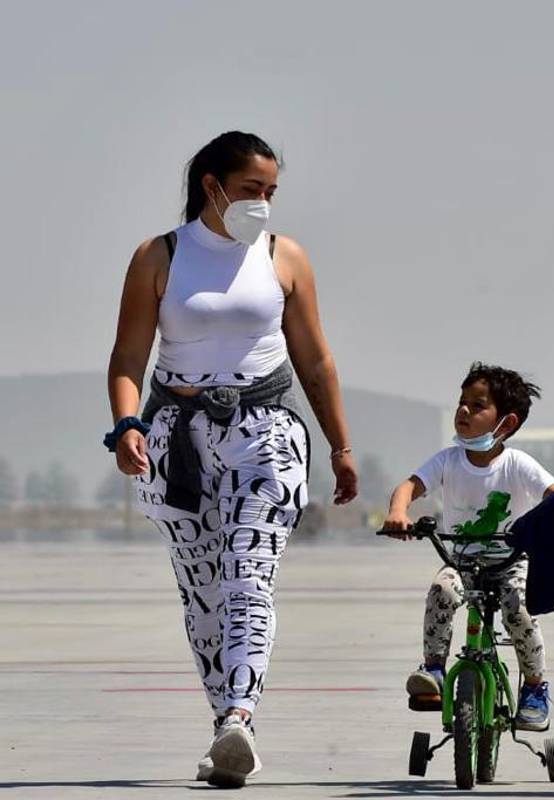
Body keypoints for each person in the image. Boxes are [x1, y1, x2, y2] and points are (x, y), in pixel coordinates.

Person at [106, 131, 358, 788]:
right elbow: (129, 357)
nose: (264, 204)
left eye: (272, 192)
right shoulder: (159, 256)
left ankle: (241, 715)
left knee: (249, 576)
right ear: (211, 185)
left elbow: (315, 360)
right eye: (252, 190)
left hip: (266, 430)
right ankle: (226, 726)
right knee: (202, 595)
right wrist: (127, 423)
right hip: (174, 437)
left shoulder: (285, 257)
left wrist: (340, 444)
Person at [382, 363, 554, 731]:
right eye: (462, 402)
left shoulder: (518, 464)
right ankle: (434, 668)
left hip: (511, 561)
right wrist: (399, 511)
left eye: (477, 406)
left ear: (506, 423)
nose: (464, 410)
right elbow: (408, 487)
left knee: (518, 609)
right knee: (441, 589)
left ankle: (535, 688)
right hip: (460, 559)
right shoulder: (447, 460)